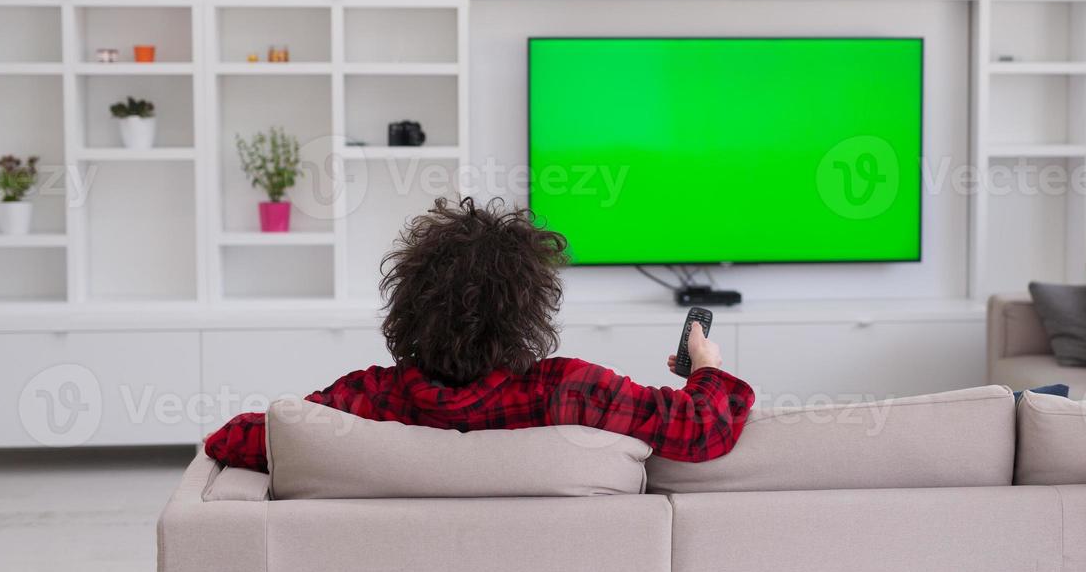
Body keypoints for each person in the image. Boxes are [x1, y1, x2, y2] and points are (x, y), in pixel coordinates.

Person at [204, 197, 755, 471]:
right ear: (530, 309)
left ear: (409, 303)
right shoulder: (569, 391)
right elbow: (703, 428)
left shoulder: (368, 398)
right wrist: (705, 367)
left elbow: (234, 439)